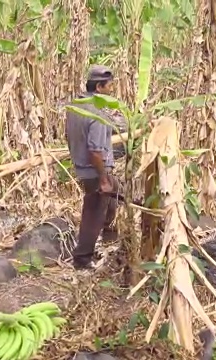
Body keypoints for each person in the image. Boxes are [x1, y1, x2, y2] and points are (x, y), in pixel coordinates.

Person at [65, 65, 120, 270]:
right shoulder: (97, 114)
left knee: (114, 195)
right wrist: (103, 179)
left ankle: (109, 240)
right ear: (99, 87)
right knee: (93, 213)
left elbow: (68, 135)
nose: (111, 90)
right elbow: (95, 152)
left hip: (83, 168)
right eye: (109, 87)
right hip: (95, 170)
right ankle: (82, 259)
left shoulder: (75, 107)